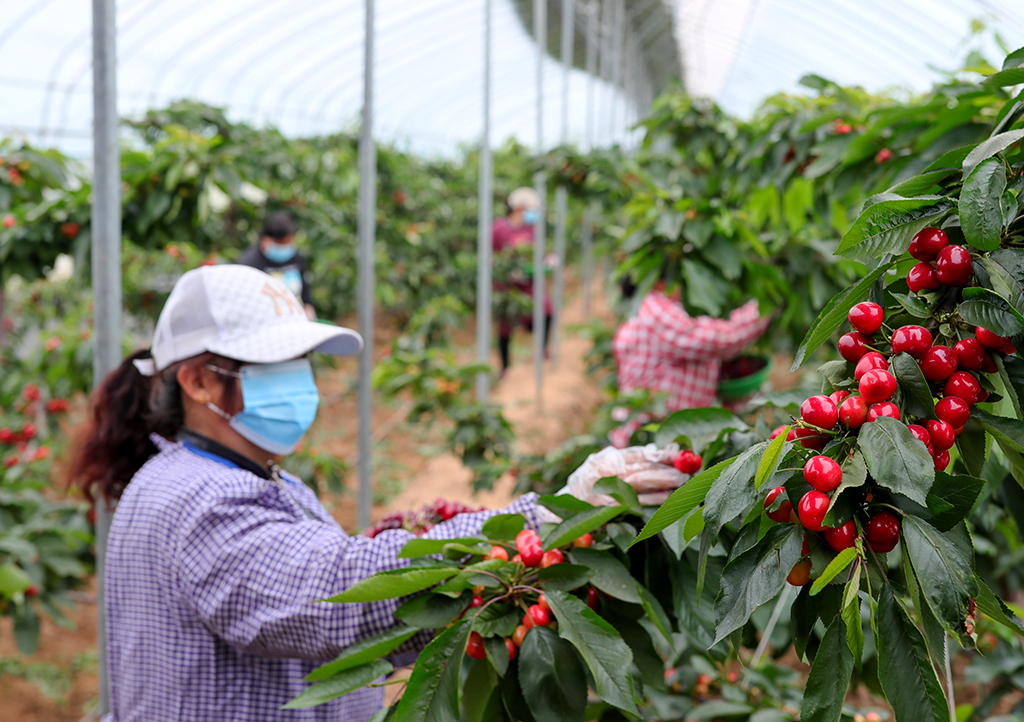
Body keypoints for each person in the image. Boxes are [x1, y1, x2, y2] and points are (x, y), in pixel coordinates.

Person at [70, 264, 681, 721]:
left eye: (301, 361)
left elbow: (338, 602)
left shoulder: (225, 474)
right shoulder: (201, 502)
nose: (301, 382)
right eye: (275, 365)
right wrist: (543, 518)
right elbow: (331, 595)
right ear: (200, 381)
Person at [610, 282, 770, 446]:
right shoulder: (656, 308)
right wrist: (765, 305)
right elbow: (719, 340)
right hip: (654, 438)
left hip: (666, 436)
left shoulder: (646, 306)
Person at [491, 187, 552, 372]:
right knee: (504, 325)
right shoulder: (498, 229)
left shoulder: (531, 229)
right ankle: (505, 367)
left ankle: (541, 350)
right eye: (530, 210)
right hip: (505, 286)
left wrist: (548, 260)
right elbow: (490, 257)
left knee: (547, 309)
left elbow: (539, 252)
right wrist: (504, 270)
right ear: (518, 208)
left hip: (528, 283)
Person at [237, 211, 317, 320]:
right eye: (280, 242)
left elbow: (305, 289)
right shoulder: (249, 263)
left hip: (296, 320)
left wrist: (308, 309)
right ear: (265, 239)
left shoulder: (295, 258)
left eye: (288, 241)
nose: (285, 246)